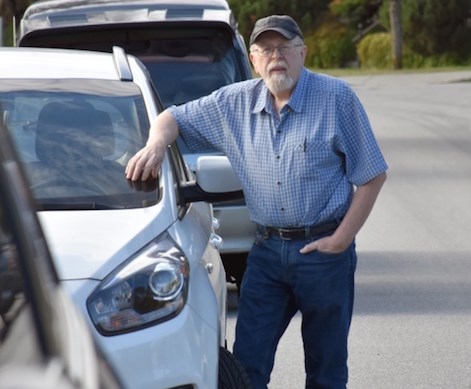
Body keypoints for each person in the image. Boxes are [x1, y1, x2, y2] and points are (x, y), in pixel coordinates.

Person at [125, 13, 388, 389]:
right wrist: (155, 144)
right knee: (246, 366)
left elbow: (372, 174)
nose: (275, 56)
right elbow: (172, 118)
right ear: (253, 59)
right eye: (266, 49)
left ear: (302, 52)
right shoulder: (234, 103)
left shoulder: (336, 98)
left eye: (284, 47)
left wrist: (342, 240)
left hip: (324, 254)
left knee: (326, 370)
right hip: (266, 254)